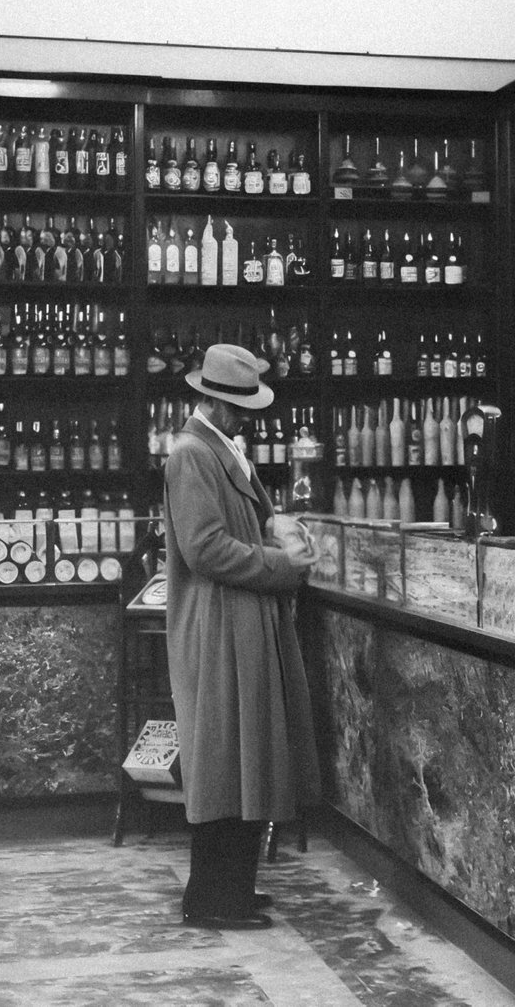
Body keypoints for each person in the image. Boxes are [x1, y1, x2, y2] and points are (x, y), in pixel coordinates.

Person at [163, 343, 320, 930]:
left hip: (242, 620)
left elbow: (232, 529)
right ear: (211, 400)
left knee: (247, 761)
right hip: (219, 624)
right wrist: (280, 564)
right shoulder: (191, 454)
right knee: (227, 765)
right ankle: (209, 900)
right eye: (239, 406)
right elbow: (203, 548)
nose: (247, 416)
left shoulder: (221, 448)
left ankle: (233, 888)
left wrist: (275, 528)